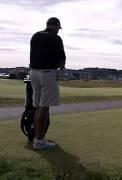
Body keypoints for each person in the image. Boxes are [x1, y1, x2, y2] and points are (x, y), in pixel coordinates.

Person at [29, 17, 66, 150]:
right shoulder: (56, 38)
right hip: (47, 74)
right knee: (44, 108)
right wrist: (60, 72)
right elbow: (62, 60)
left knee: (38, 107)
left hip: (33, 73)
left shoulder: (35, 36)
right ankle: (39, 141)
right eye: (58, 28)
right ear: (56, 26)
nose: (58, 31)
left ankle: (37, 138)